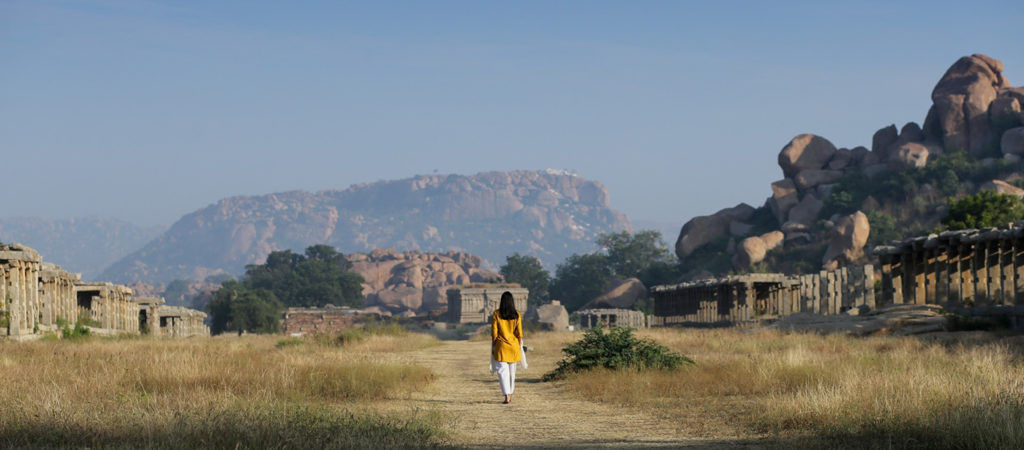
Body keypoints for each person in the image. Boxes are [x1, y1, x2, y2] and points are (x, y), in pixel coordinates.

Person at [491, 291, 523, 404]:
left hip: (501, 346)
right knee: (511, 373)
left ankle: (507, 395)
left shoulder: (496, 314)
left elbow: (494, 333)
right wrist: (518, 345)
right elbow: (519, 333)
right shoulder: (517, 314)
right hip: (514, 346)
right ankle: (510, 393)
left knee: (502, 372)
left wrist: (494, 345)